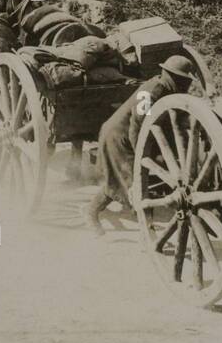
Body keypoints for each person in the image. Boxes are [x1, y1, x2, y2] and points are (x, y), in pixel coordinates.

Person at [83, 55, 203, 236]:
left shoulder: (168, 90)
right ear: (172, 76)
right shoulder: (152, 92)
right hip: (119, 138)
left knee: (125, 182)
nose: (185, 85)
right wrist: (143, 158)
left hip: (134, 137)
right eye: (182, 80)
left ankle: (95, 211)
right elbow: (136, 128)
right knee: (134, 184)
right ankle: (144, 233)